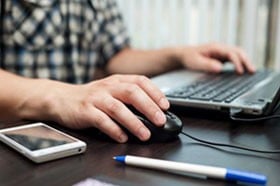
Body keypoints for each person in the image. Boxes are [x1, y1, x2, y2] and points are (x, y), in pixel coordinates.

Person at [0, 0, 255, 143]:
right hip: (17, 140)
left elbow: (116, 56)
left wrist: (179, 55)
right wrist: (58, 95)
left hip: (80, 136)